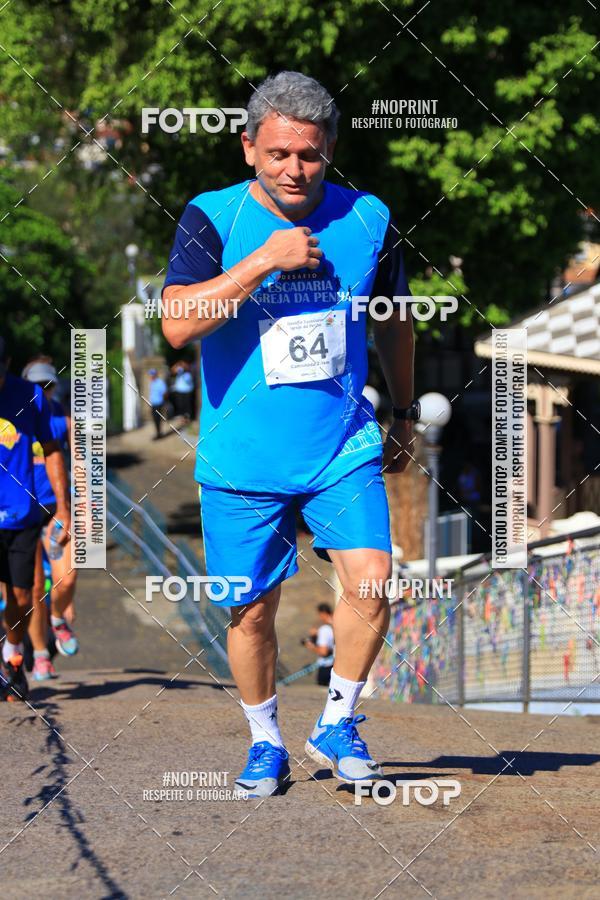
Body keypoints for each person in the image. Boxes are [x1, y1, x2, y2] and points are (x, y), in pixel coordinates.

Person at [161, 71, 417, 796]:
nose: (293, 170)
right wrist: (263, 261)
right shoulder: (210, 217)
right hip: (243, 457)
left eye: (308, 154)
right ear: (248, 148)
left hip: (342, 444)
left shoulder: (368, 217)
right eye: (277, 154)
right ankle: (265, 740)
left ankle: (337, 721)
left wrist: (401, 414)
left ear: (329, 148)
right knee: (250, 611)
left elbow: (394, 318)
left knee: (372, 583)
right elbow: (178, 323)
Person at [0, 338, 71, 701]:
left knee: (22, 594)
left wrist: (64, 506)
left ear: (7, 363)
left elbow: (55, 448)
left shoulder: (30, 396)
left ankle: (12, 654)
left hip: (20, 514)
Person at [22, 359, 79, 680]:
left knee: (67, 577)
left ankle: (58, 619)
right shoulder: (12, 416)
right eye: (37, 386)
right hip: (23, 513)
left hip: (58, 509)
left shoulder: (62, 418)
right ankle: (41, 654)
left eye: (48, 385)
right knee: (30, 590)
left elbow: (84, 462)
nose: (43, 391)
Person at [303, 603, 335, 686]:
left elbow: (323, 652)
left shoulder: (324, 629)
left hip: (326, 666)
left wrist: (310, 646)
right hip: (336, 665)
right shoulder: (336, 626)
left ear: (323, 613)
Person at [148, 368, 168, 439]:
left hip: (159, 403)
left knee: (158, 419)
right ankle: (158, 433)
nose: (150, 376)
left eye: (152, 375)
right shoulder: (152, 383)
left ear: (155, 375)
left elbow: (165, 392)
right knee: (155, 419)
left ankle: (159, 434)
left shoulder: (160, 382)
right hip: (153, 403)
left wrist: (164, 402)